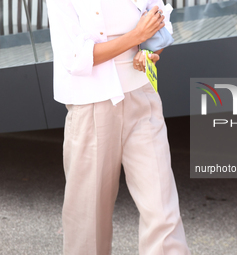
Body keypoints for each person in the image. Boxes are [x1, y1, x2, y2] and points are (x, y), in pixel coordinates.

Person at [45, 0, 191, 254]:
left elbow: (158, 18)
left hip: (141, 97)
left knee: (162, 210)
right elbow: (75, 57)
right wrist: (136, 36)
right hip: (91, 106)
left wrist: (147, 51)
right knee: (88, 219)